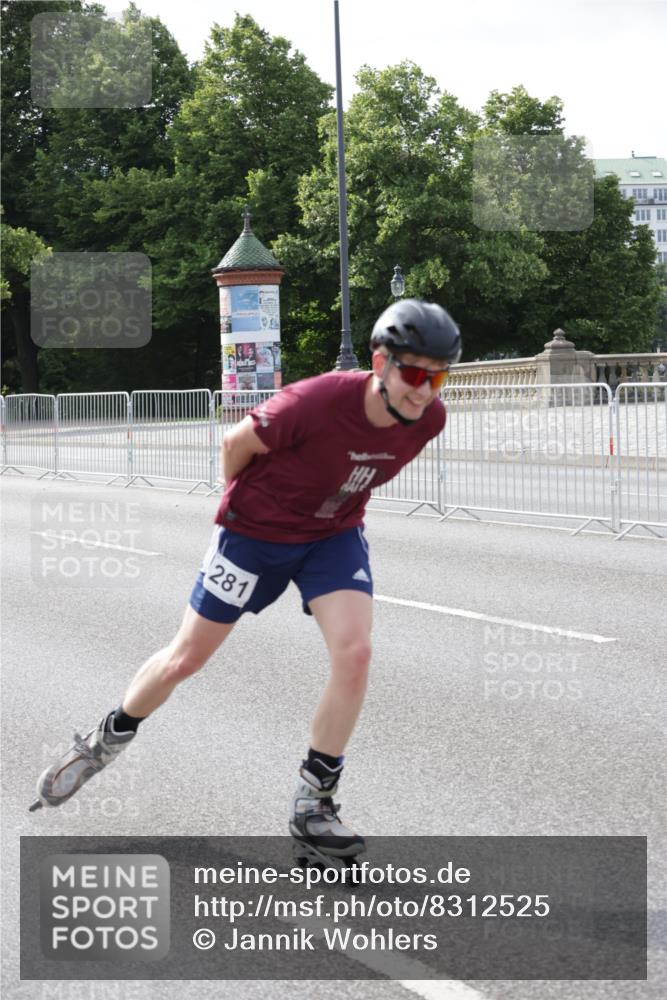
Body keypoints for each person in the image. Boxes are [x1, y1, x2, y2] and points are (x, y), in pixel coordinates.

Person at [30, 299, 462, 864]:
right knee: (186, 658)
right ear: (380, 363)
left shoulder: (430, 420)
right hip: (252, 535)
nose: (425, 392)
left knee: (355, 653)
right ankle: (105, 739)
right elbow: (235, 445)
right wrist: (241, 517)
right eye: (415, 375)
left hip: (330, 536)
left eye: (438, 378)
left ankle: (314, 804)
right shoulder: (316, 401)